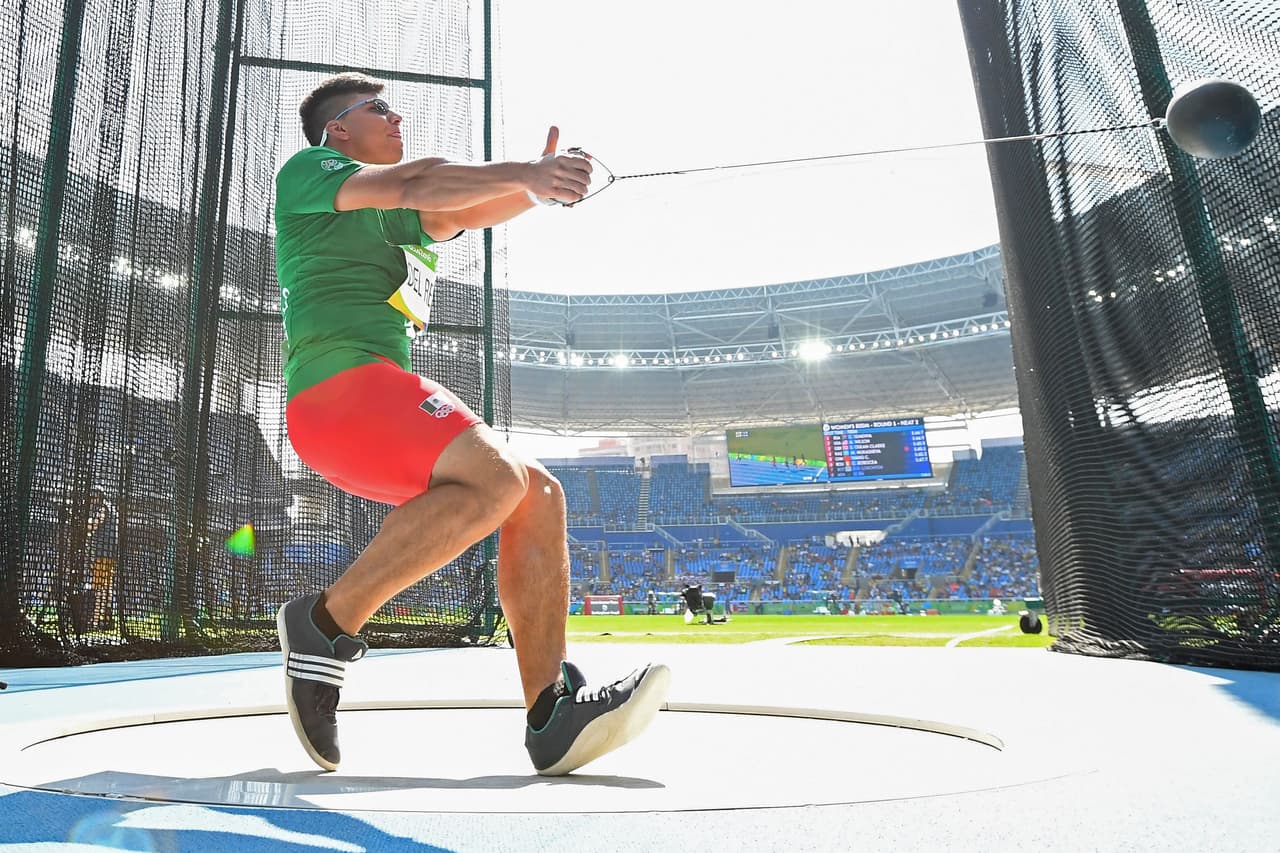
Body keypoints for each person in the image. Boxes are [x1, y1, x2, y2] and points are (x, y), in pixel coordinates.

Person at [272, 73, 669, 775]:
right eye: (378, 110)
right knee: (497, 477)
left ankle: (551, 715)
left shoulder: (383, 212)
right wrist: (529, 170)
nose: (397, 117)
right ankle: (325, 624)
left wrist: (536, 190)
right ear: (338, 130)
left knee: (536, 494)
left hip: (373, 406)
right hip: (337, 392)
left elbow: (455, 211)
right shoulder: (311, 171)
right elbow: (418, 182)